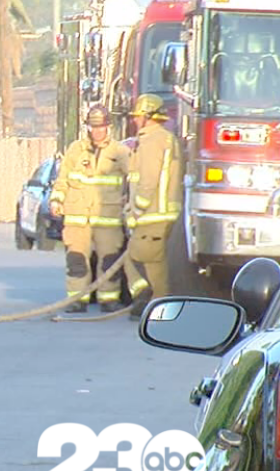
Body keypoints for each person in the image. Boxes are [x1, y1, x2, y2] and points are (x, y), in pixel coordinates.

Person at [49, 105, 130, 313]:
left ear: (108, 127)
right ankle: (77, 300)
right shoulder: (76, 150)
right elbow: (63, 179)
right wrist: (56, 200)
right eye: (94, 127)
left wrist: (129, 202)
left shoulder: (120, 152)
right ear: (88, 128)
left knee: (109, 261)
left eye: (101, 127)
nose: (97, 131)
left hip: (108, 217)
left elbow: (134, 179)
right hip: (77, 217)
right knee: (76, 260)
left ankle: (108, 299)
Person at [123, 93, 183, 320]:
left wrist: (136, 211)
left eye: (139, 117)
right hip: (162, 214)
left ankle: (150, 300)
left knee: (135, 257)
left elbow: (147, 181)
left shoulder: (151, 141)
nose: (135, 120)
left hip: (152, 215)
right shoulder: (166, 138)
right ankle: (158, 306)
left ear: (148, 116)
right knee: (154, 261)